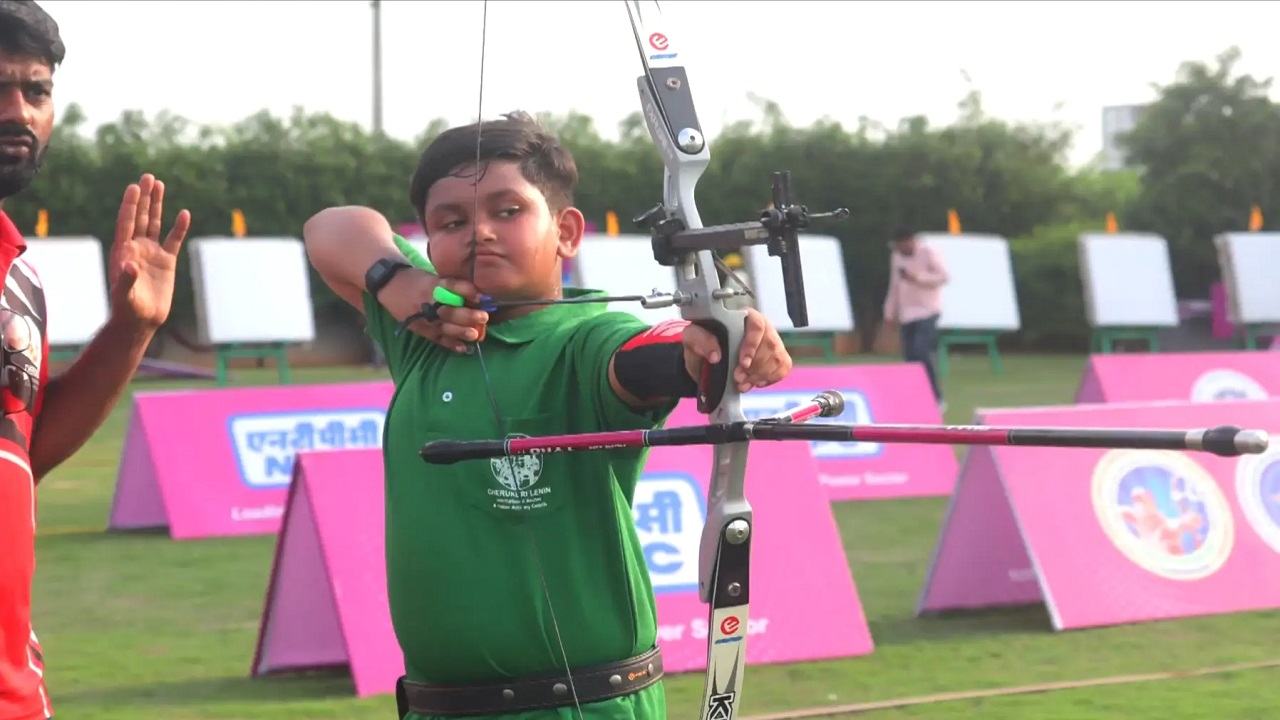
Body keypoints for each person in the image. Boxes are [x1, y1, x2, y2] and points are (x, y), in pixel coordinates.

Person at [303, 110, 794, 720]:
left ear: (565, 232)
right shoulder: (423, 332)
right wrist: (396, 280)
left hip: (581, 705)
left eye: (507, 211)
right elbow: (331, 227)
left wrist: (710, 343)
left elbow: (643, 357)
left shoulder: (585, 340)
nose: (478, 232)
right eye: (451, 222)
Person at [0, 3, 192, 718]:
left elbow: (26, 451)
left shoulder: (16, 267)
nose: (17, 112)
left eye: (36, 91)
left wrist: (132, 330)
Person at [882, 227, 949, 412]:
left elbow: (943, 276)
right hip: (907, 314)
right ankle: (917, 397)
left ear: (911, 241)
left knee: (922, 352)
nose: (900, 250)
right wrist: (889, 312)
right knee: (910, 358)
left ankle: (936, 398)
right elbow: (894, 285)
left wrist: (917, 278)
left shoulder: (927, 252)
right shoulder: (896, 256)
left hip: (927, 311)